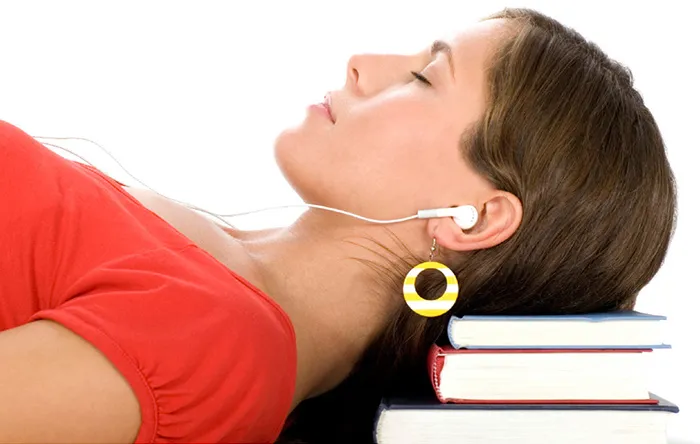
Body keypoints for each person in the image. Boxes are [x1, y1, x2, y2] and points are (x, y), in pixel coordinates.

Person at [0, 6, 676, 444]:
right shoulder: (223, 291)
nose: (361, 63)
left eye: (423, 77)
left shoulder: (220, 345)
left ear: (475, 219)